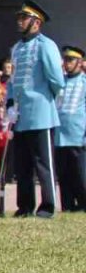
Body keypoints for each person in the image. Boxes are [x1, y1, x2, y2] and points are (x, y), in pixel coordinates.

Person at [7, 0, 65, 218]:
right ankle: (25, 206)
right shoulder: (17, 48)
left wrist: (45, 100)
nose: (20, 22)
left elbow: (57, 80)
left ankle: (48, 206)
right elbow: (13, 80)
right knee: (22, 166)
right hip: (21, 115)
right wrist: (10, 103)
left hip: (40, 113)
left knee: (44, 164)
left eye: (24, 18)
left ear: (36, 22)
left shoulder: (45, 45)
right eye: (19, 18)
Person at [55, 46, 86, 211]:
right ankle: (67, 206)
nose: (67, 63)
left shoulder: (84, 82)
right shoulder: (60, 82)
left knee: (80, 175)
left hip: (78, 135)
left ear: (80, 62)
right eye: (65, 60)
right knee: (64, 175)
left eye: (71, 60)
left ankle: (83, 205)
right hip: (60, 136)